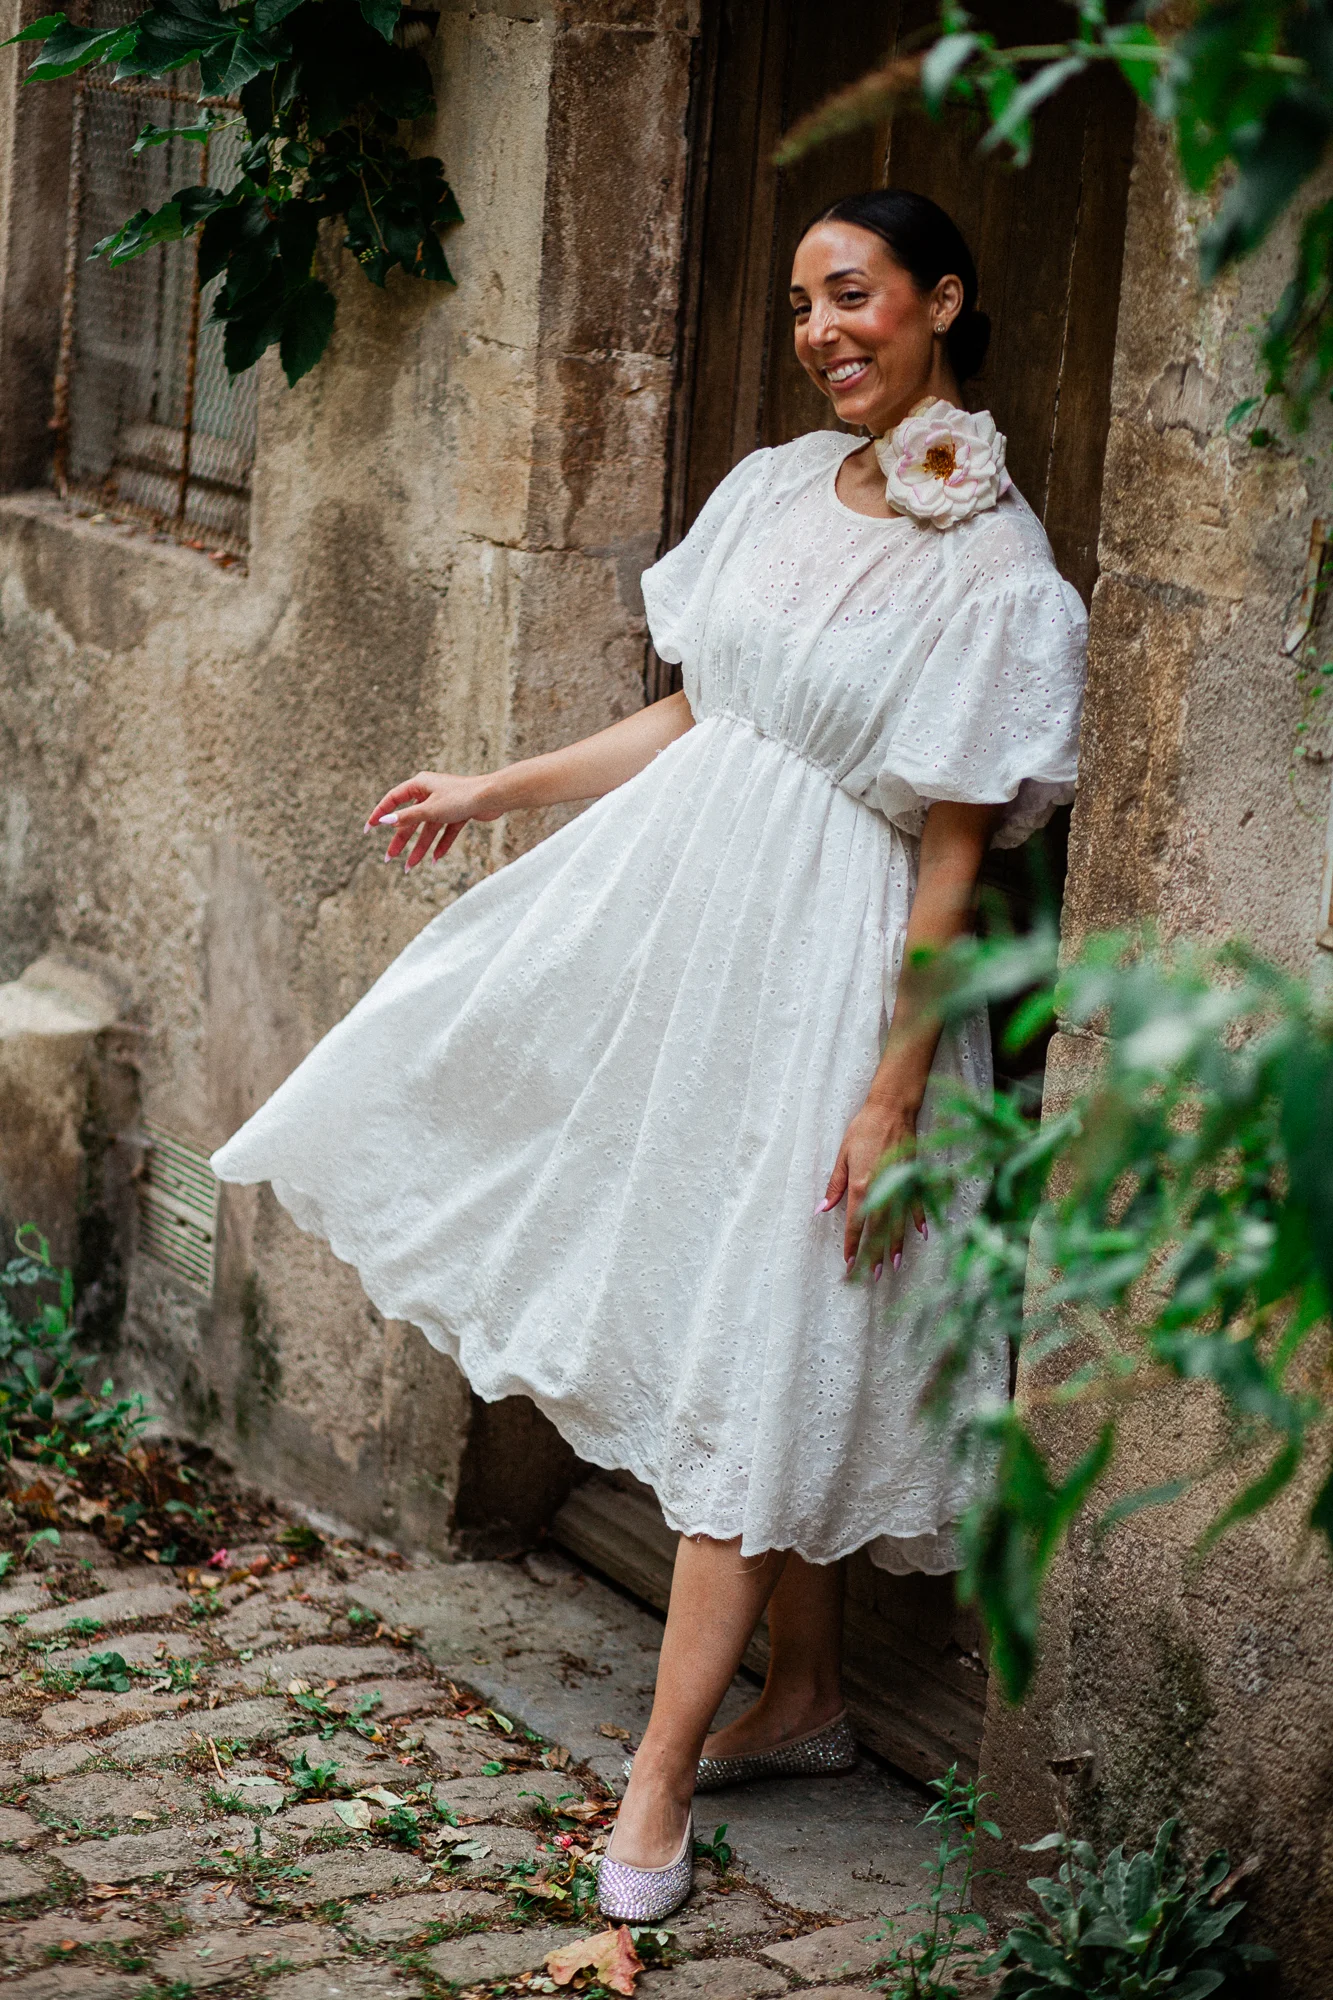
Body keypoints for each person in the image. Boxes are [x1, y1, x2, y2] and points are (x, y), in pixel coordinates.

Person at [212, 187, 1087, 1921]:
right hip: (687, 940)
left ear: (942, 304)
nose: (824, 329)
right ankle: (816, 1694)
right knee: (740, 1300)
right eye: (801, 305)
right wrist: (494, 789)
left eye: (855, 296)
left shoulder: (996, 569)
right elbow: (699, 712)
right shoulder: (768, 486)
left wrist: (897, 1087)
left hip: (838, 970)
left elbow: (954, 851)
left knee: (783, 1321)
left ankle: (661, 1775)